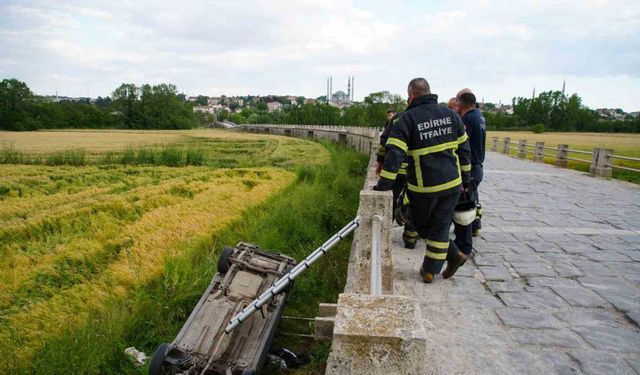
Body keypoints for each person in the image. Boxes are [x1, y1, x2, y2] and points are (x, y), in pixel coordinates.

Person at [374, 78, 472, 283]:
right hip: (452, 185)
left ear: (411, 95)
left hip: (424, 187)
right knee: (441, 224)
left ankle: (449, 258)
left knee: (420, 223)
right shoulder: (450, 115)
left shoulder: (407, 120)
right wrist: (467, 179)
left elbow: (395, 155)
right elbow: (464, 150)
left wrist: (384, 185)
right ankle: (432, 268)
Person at [375, 108, 419, 248]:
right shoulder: (426, 118)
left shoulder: (398, 119)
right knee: (413, 204)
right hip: (416, 171)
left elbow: (384, 142)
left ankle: (382, 236)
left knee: (392, 202)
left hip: (398, 170)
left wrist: (380, 161)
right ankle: (410, 239)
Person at [454, 90, 486, 253]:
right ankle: (475, 227)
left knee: (464, 204)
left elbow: (462, 145)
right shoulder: (480, 116)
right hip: (478, 166)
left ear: (460, 103)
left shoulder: (467, 119)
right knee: (473, 199)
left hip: (470, 167)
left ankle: (464, 244)